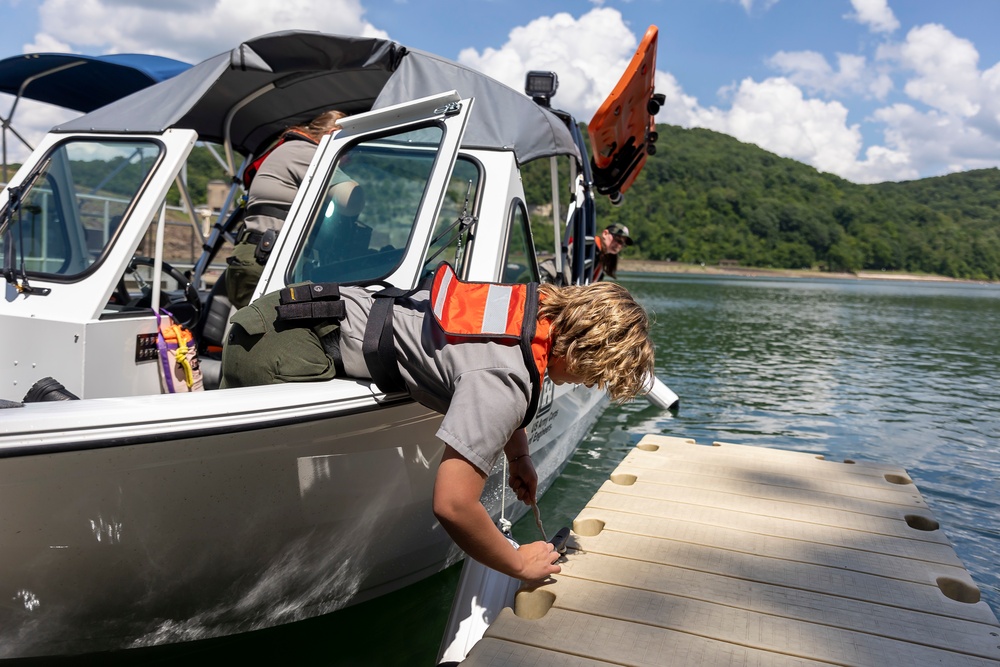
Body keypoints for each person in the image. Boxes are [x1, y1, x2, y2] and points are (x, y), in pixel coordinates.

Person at [220, 262, 655, 582]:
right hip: (278, 344)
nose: (590, 385)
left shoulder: (534, 312)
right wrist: (517, 561)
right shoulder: (505, 382)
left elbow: (499, 362)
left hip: (295, 309)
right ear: (579, 353)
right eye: (595, 376)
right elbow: (452, 505)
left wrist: (518, 454)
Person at [224, 109, 348, 310]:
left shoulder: (290, 149)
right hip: (265, 260)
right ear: (332, 134)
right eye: (347, 152)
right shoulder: (305, 152)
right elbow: (350, 199)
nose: (347, 160)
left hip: (257, 256)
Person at [539, 222, 635, 285]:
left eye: (622, 243)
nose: (618, 245)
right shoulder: (587, 245)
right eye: (617, 239)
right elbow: (568, 270)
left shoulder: (602, 258)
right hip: (546, 277)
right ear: (605, 233)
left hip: (559, 286)